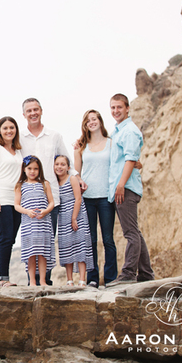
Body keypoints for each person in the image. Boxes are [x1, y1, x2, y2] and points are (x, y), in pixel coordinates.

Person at [19, 98, 81, 285]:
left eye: (36, 109)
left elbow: (66, 162)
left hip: (51, 197)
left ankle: (46, 280)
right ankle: (33, 281)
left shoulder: (54, 136)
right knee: (31, 240)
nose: (33, 113)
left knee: (47, 239)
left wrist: (78, 178)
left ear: (41, 111)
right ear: (24, 114)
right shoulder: (19, 138)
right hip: (28, 199)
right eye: (29, 111)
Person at [107, 94, 154, 286]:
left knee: (130, 233)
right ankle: (146, 274)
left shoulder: (130, 131)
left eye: (119, 107)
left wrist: (121, 184)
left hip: (125, 188)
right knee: (134, 231)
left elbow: (130, 159)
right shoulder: (118, 131)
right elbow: (133, 160)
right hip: (122, 186)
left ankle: (128, 274)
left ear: (127, 108)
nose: (116, 111)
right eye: (113, 108)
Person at [74, 109, 118, 288]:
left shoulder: (111, 143)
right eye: (88, 120)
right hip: (88, 198)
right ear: (85, 125)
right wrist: (80, 180)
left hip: (107, 197)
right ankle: (93, 278)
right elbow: (76, 173)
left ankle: (110, 278)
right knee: (90, 239)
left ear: (100, 121)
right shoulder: (81, 146)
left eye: (94, 119)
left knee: (108, 239)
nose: (92, 122)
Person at [0, 116, 24, 288]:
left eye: (12, 128)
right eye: (5, 128)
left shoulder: (18, 151)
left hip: (15, 201)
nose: (9, 131)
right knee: (5, 238)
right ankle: (2, 279)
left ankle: (4, 277)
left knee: (11, 239)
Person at [14, 155, 55, 288]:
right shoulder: (20, 185)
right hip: (29, 224)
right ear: (24, 169)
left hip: (43, 223)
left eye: (36, 169)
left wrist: (45, 211)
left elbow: (52, 202)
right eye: (29, 168)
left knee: (42, 253)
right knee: (31, 253)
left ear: (40, 170)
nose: (32, 171)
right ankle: (32, 281)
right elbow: (17, 205)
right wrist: (27, 212)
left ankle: (42, 280)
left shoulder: (45, 184)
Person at [54, 155, 93, 286]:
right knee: (66, 248)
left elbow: (78, 198)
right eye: (57, 164)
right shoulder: (54, 183)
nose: (59, 167)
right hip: (63, 219)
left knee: (80, 247)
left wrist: (74, 218)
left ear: (68, 167)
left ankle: (82, 280)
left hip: (77, 216)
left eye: (63, 164)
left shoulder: (72, 179)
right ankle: (69, 280)